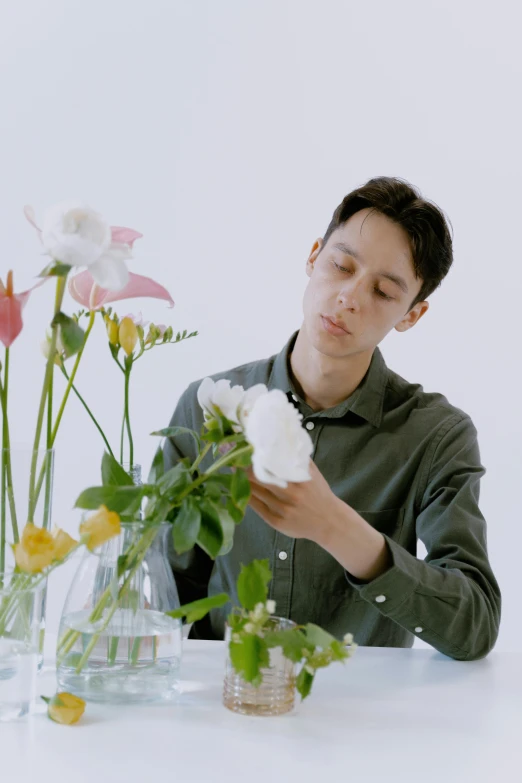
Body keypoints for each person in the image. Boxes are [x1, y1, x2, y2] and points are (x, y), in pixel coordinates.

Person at [163, 176, 501, 660]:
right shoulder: (210, 405)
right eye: (341, 266)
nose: (350, 297)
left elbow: (476, 627)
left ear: (412, 314)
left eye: (384, 292)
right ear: (313, 255)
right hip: (222, 705)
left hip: (363, 720)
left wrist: (336, 527)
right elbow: (161, 589)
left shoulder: (436, 436)